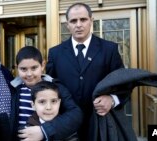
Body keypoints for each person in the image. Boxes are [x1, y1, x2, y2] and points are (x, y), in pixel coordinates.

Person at [46, 3, 129, 140]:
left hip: (100, 125)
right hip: (66, 126)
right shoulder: (55, 53)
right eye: (73, 21)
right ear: (68, 25)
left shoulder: (110, 50)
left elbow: (124, 84)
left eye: (83, 19)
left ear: (91, 21)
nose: (78, 25)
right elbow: (50, 86)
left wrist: (112, 99)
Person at [10, 46, 82, 141]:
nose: (29, 74)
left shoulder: (56, 87)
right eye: (23, 69)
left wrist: (44, 131)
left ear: (43, 65)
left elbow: (75, 114)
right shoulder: (13, 89)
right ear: (17, 67)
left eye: (34, 68)